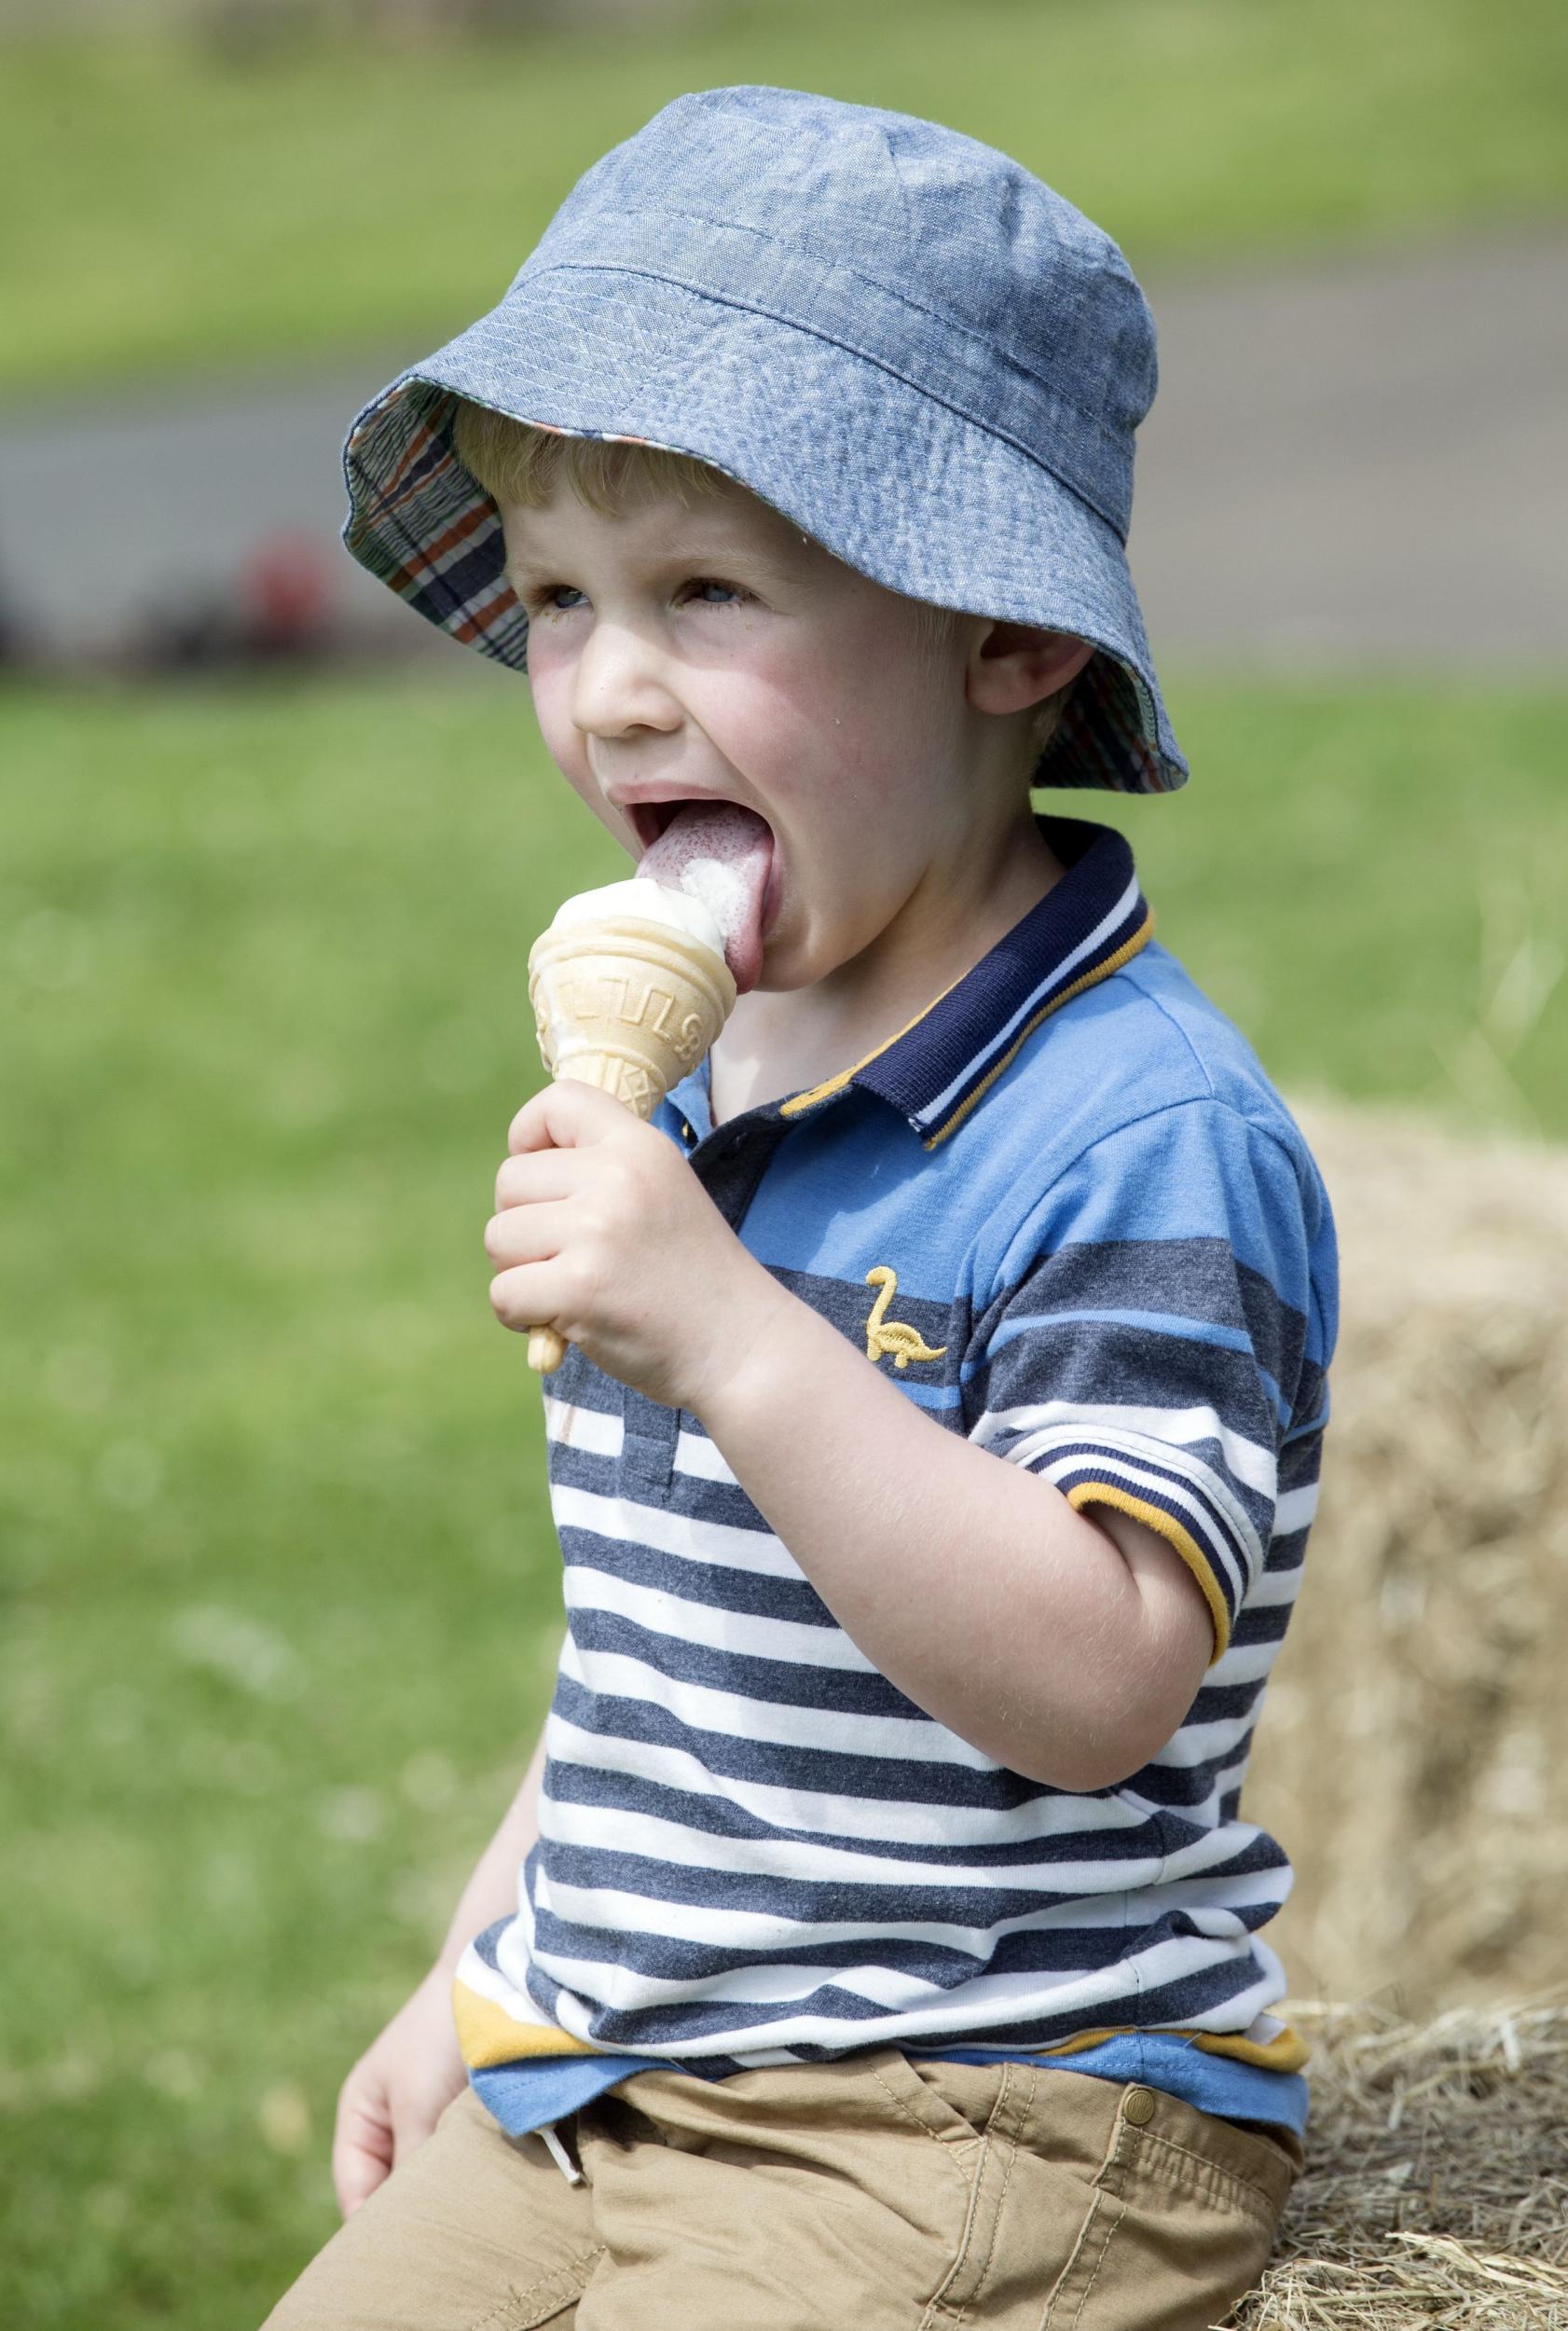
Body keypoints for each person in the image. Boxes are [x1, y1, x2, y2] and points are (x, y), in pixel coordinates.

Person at [267, 85, 1338, 2328]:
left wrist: (744, 1338)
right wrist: (488, 1973)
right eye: (557, 599)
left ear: (1002, 636)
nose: (605, 685)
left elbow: (1100, 1682)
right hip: (628, 2057)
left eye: (705, 593)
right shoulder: (721, 1056)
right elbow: (660, 1656)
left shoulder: (1134, 1131)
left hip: (987, 2095)